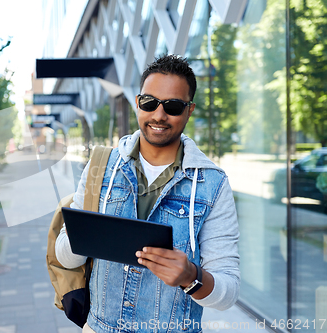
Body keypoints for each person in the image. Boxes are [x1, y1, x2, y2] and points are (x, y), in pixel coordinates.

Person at [55, 54, 240, 333]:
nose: (159, 115)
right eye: (149, 102)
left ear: (189, 110)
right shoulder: (100, 166)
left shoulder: (212, 184)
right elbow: (64, 257)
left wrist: (191, 277)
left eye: (173, 106)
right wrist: (83, 237)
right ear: (138, 103)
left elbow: (228, 292)